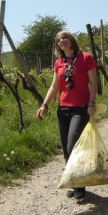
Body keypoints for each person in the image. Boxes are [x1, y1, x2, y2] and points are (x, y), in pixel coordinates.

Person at [36, 30, 98, 199]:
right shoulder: (58, 62)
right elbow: (54, 86)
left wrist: (92, 103)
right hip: (62, 110)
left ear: (71, 40)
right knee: (65, 150)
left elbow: (93, 82)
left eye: (65, 37)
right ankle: (74, 182)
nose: (62, 41)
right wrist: (45, 105)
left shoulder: (85, 58)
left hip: (81, 109)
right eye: (58, 39)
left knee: (73, 146)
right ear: (57, 44)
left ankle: (80, 186)